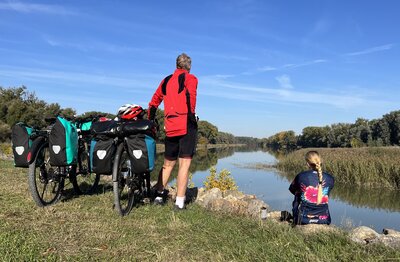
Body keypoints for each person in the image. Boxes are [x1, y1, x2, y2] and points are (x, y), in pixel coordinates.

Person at [148, 53, 198, 210]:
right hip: (185, 124)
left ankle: (158, 195)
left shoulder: (166, 80)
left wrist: (151, 120)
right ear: (188, 66)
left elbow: (153, 102)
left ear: (176, 65)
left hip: (170, 125)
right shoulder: (191, 78)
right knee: (184, 164)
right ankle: (179, 202)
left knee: (167, 164)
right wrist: (192, 116)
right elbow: (191, 97)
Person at [289, 150, 334, 225]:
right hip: (324, 219)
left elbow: (291, 189)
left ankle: (296, 219)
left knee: (297, 193)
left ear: (307, 163)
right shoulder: (330, 178)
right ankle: (321, 217)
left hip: (303, 219)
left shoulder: (301, 176)